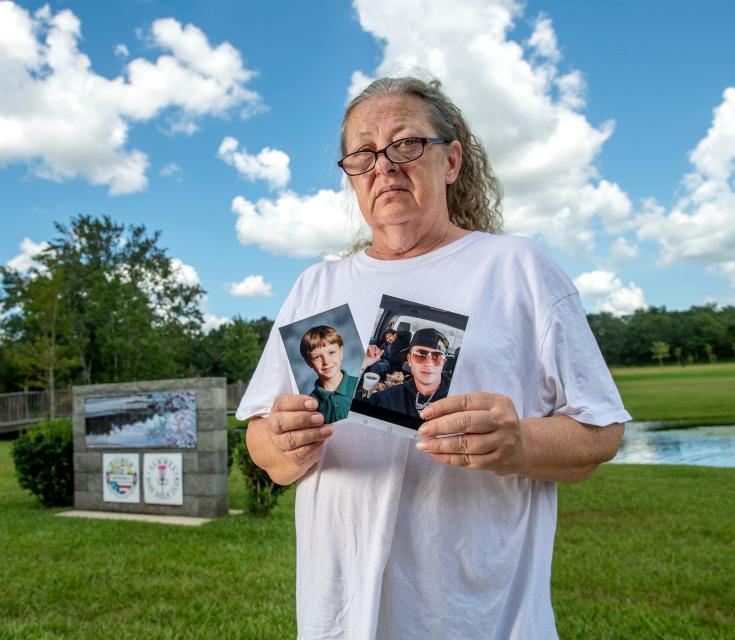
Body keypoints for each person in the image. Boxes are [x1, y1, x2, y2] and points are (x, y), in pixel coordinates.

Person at [236, 75, 630, 639]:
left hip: (481, 617)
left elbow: (600, 435)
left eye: (406, 144)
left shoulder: (517, 268)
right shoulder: (315, 287)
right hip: (339, 618)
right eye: (363, 154)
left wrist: (518, 442)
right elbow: (262, 443)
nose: (384, 166)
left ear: (451, 162)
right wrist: (282, 444)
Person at [367, 327, 451, 415]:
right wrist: (361, 366)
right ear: (409, 359)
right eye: (420, 354)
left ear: (444, 363)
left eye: (437, 357)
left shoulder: (456, 399)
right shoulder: (390, 398)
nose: (429, 363)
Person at [300, 325, 358, 424]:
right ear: (308, 362)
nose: (326, 361)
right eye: (317, 357)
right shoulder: (310, 405)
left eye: (331, 352)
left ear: (341, 352)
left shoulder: (359, 385)